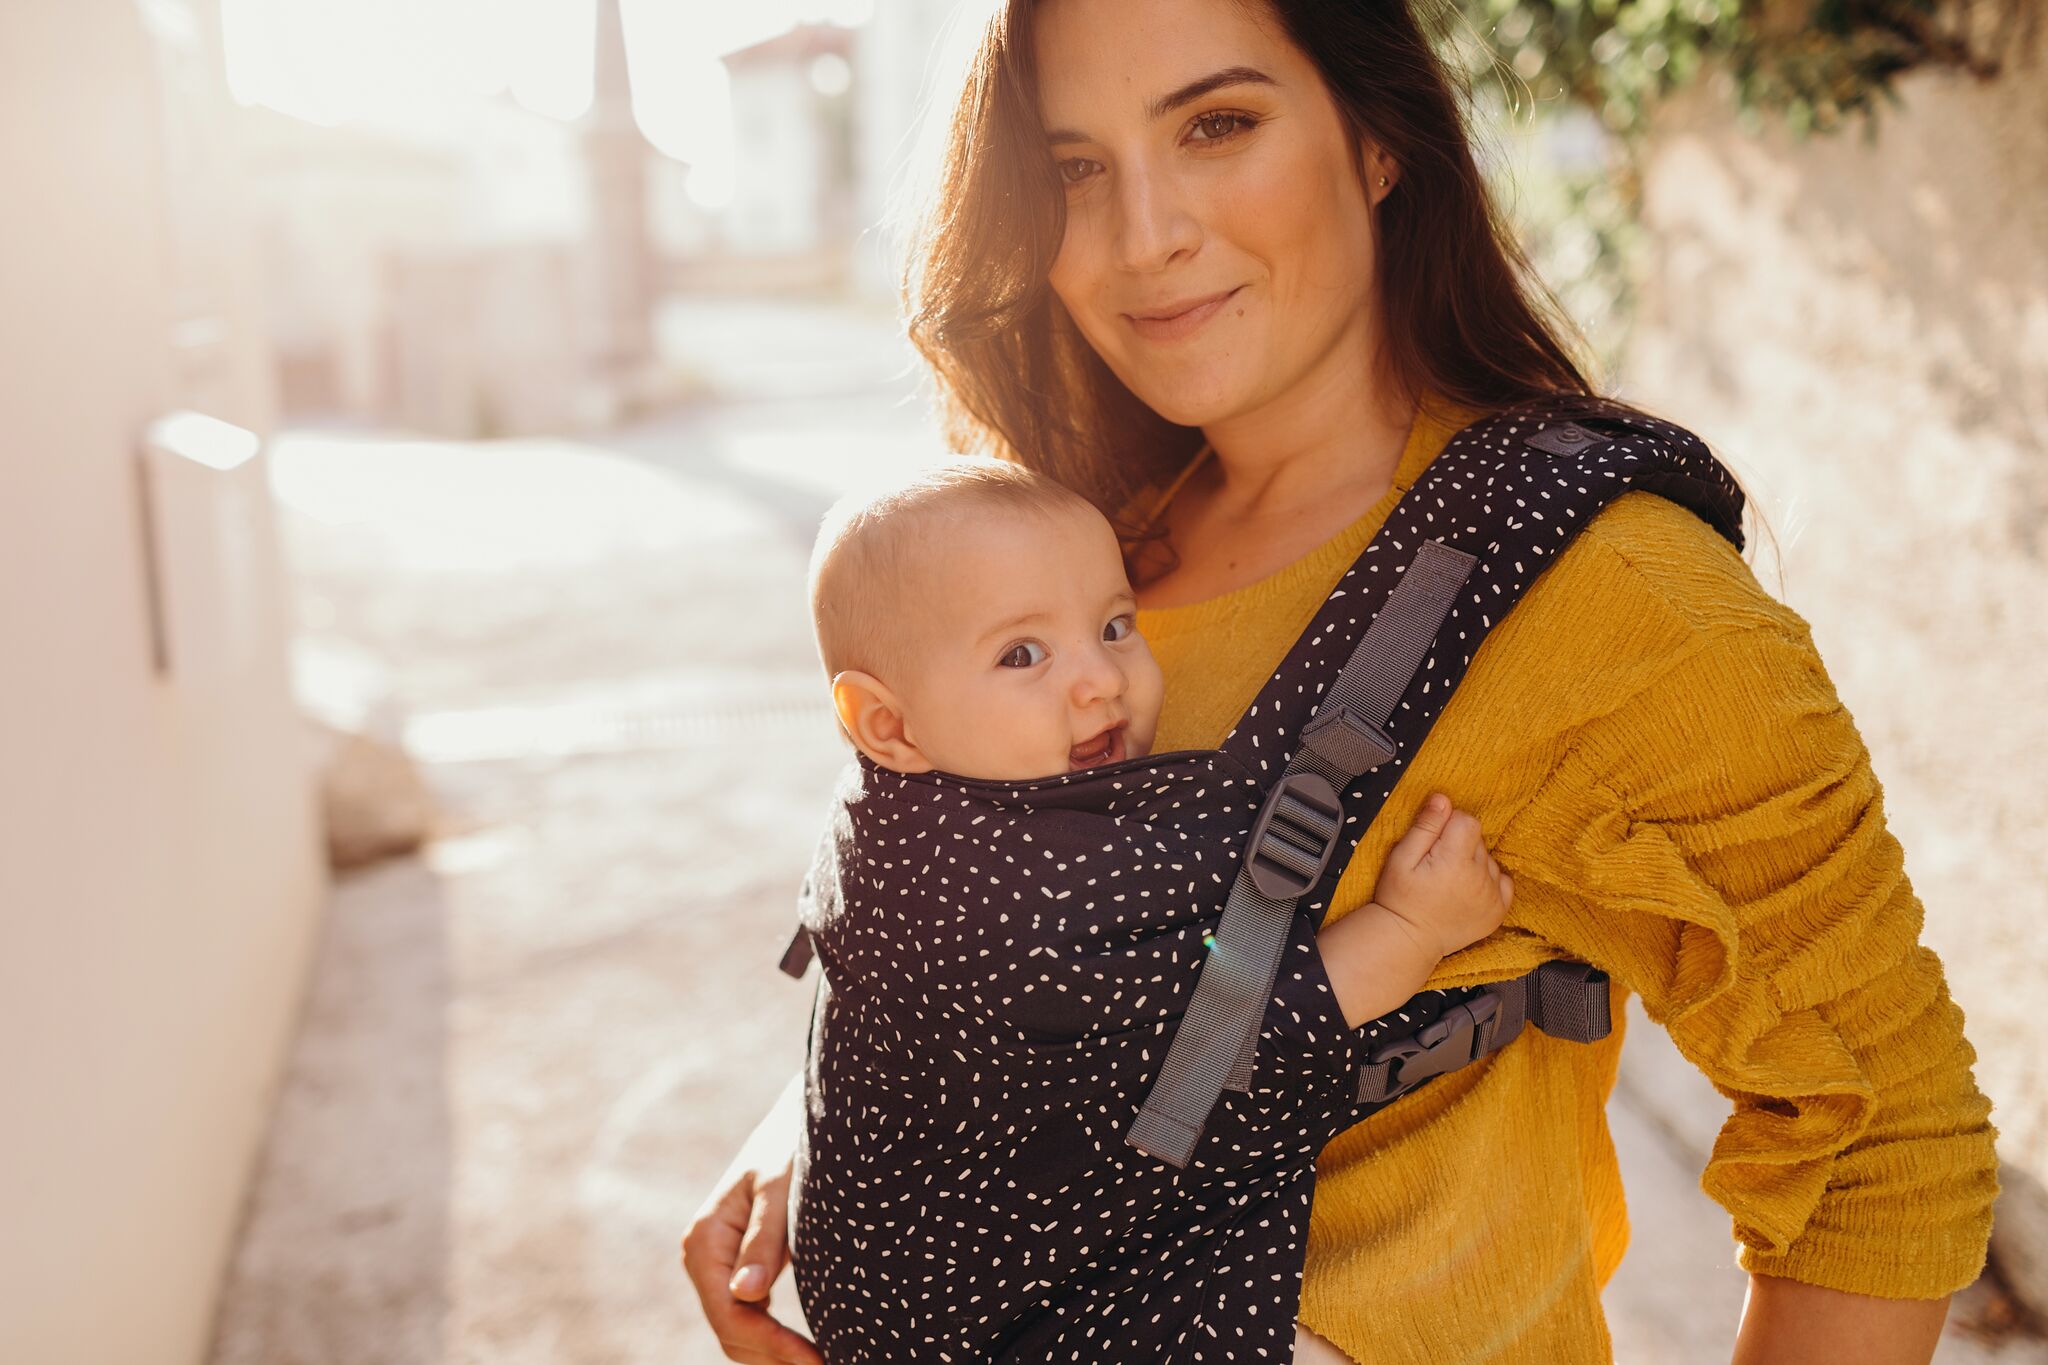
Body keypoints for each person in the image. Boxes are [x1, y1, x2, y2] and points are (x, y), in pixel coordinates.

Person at [681, 1, 2000, 1360]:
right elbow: (992, 942)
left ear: (1378, 137)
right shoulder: (1069, 544)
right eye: (1075, 169)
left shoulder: (1615, 603)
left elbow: (1881, 1139)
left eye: (1220, 125)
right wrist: (835, 1136)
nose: (1146, 235)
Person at [794, 456, 1514, 1361]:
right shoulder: (1040, 895)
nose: (1102, 678)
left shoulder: (883, 803)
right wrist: (1415, 928)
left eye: (1115, 624)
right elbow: (1237, 1020)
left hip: (877, 1281)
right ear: (886, 724)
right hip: (1012, 1319)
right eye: (1024, 653)